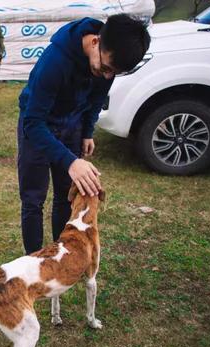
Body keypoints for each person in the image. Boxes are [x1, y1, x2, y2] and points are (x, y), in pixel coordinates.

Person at [18, 14, 150, 254]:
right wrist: (70, 161)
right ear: (95, 42)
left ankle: (60, 256)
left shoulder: (107, 65)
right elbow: (33, 122)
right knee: (32, 200)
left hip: (72, 126)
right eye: (107, 68)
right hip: (37, 127)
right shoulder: (55, 61)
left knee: (64, 197)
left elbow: (96, 98)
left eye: (114, 73)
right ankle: (32, 262)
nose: (107, 76)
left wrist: (87, 131)